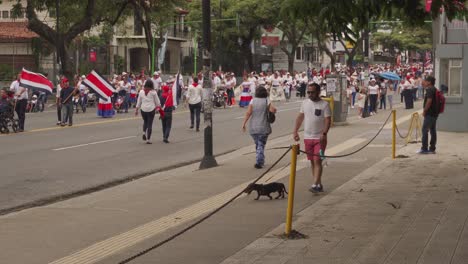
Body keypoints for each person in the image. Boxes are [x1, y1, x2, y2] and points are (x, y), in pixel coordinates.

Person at [293, 83, 331, 193]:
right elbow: (300, 118)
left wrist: (324, 133)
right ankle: (318, 184)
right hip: (307, 137)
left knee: (317, 161)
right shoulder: (304, 103)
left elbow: (328, 120)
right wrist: (295, 131)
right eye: (308, 92)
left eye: (312, 92)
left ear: (318, 92)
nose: (310, 94)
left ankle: (314, 184)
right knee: (312, 162)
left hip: (320, 138)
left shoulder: (324, 104)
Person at [242, 86, 277, 169]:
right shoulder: (266, 100)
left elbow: (248, 113)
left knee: (258, 144)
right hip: (264, 127)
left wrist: (244, 123)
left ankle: (260, 160)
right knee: (261, 144)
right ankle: (259, 162)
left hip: (253, 127)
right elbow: (273, 110)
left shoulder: (252, 100)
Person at [135, 80, 161, 144]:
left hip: (143, 109)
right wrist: (159, 107)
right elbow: (157, 102)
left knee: (145, 121)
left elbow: (139, 101)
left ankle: (144, 132)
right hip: (151, 109)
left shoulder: (141, 91)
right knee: (150, 124)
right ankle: (148, 139)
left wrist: (136, 110)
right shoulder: (153, 92)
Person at [418, 76, 439, 154]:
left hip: (430, 113)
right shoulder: (434, 89)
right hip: (434, 113)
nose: (425, 82)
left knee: (425, 130)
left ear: (429, 82)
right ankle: (432, 148)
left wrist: (424, 111)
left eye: (426, 81)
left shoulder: (430, 90)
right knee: (433, 130)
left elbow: (429, 101)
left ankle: (424, 148)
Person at [160, 78, 175, 143]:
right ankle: (166, 137)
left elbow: (159, 105)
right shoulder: (170, 96)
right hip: (169, 112)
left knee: (164, 125)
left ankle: (164, 136)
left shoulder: (161, 96)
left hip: (163, 112)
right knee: (168, 126)